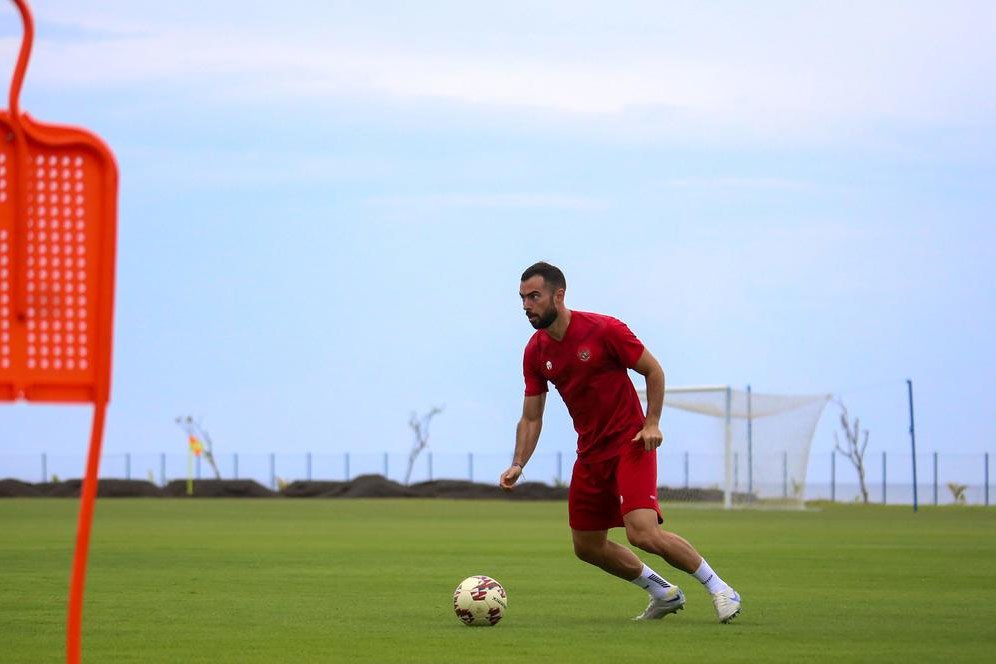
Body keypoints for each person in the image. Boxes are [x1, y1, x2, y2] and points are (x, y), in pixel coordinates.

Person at [499, 261, 741, 623]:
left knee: (642, 533)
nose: (526, 306)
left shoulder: (605, 329)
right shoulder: (535, 352)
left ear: (558, 295)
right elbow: (532, 416)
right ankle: (663, 592)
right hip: (590, 455)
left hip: (631, 444)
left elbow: (653, 370)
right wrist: (519, 462)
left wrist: (652, 423)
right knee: (587, 547)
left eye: (534, 297)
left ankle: (721, 589)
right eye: (522, 298)